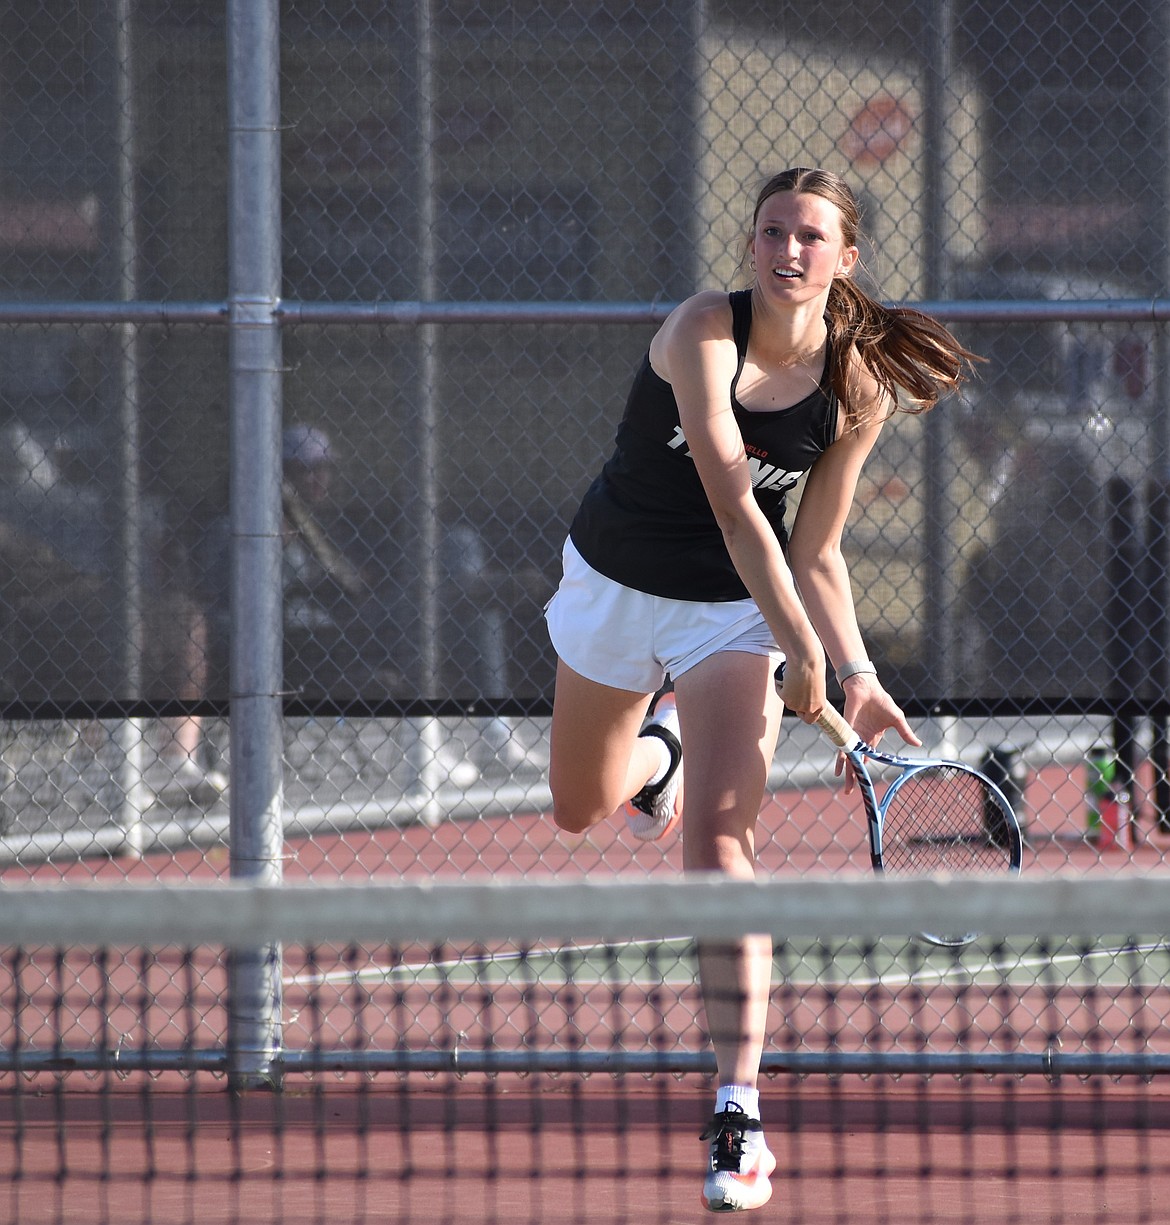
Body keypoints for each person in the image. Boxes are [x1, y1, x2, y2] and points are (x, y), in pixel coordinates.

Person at [543, 167, 978, 1212]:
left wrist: (856, 674)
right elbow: (741, 509)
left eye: (811, 236)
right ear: (753, 244)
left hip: (734, 618)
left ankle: (737, 1110)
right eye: (773, 231)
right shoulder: (702, 329)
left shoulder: (857, 387)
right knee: (576, 809)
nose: (788, 250)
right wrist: (806, 651)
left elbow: (815, 551)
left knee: (724, 851)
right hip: (615, 581)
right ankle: (661, 757)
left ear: (845, 256)